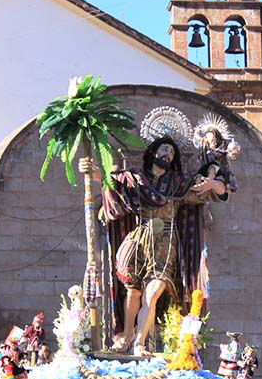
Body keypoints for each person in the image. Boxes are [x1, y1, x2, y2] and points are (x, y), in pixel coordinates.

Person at [79, 134, 228, 356]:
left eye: (172, 152)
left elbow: (215, 191)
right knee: (133, 292)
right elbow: (110, 181)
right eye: (164, 149)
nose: (168, 154)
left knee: (153, 292)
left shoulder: (178, 182)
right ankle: (127, 336)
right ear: (153, 152)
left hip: (166, 241)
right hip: (139, 238)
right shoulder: (136, 178)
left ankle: (139, 342)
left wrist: (214, 182)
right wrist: (90, 170)